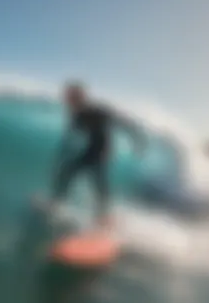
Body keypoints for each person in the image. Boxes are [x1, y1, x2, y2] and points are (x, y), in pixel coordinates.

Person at [50, 81, 146, 227]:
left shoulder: (97, 111)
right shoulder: (76, 116)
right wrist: (61, 156)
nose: (67, 101)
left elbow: (123, 122)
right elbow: (69, 138)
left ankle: (105, 217)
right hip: (90, 151)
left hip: (102, 152)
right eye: (67, 98)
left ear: (79, 97)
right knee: (67, 172)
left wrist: (137, 140)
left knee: (98, 183)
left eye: (70, 97)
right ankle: (57, 203)